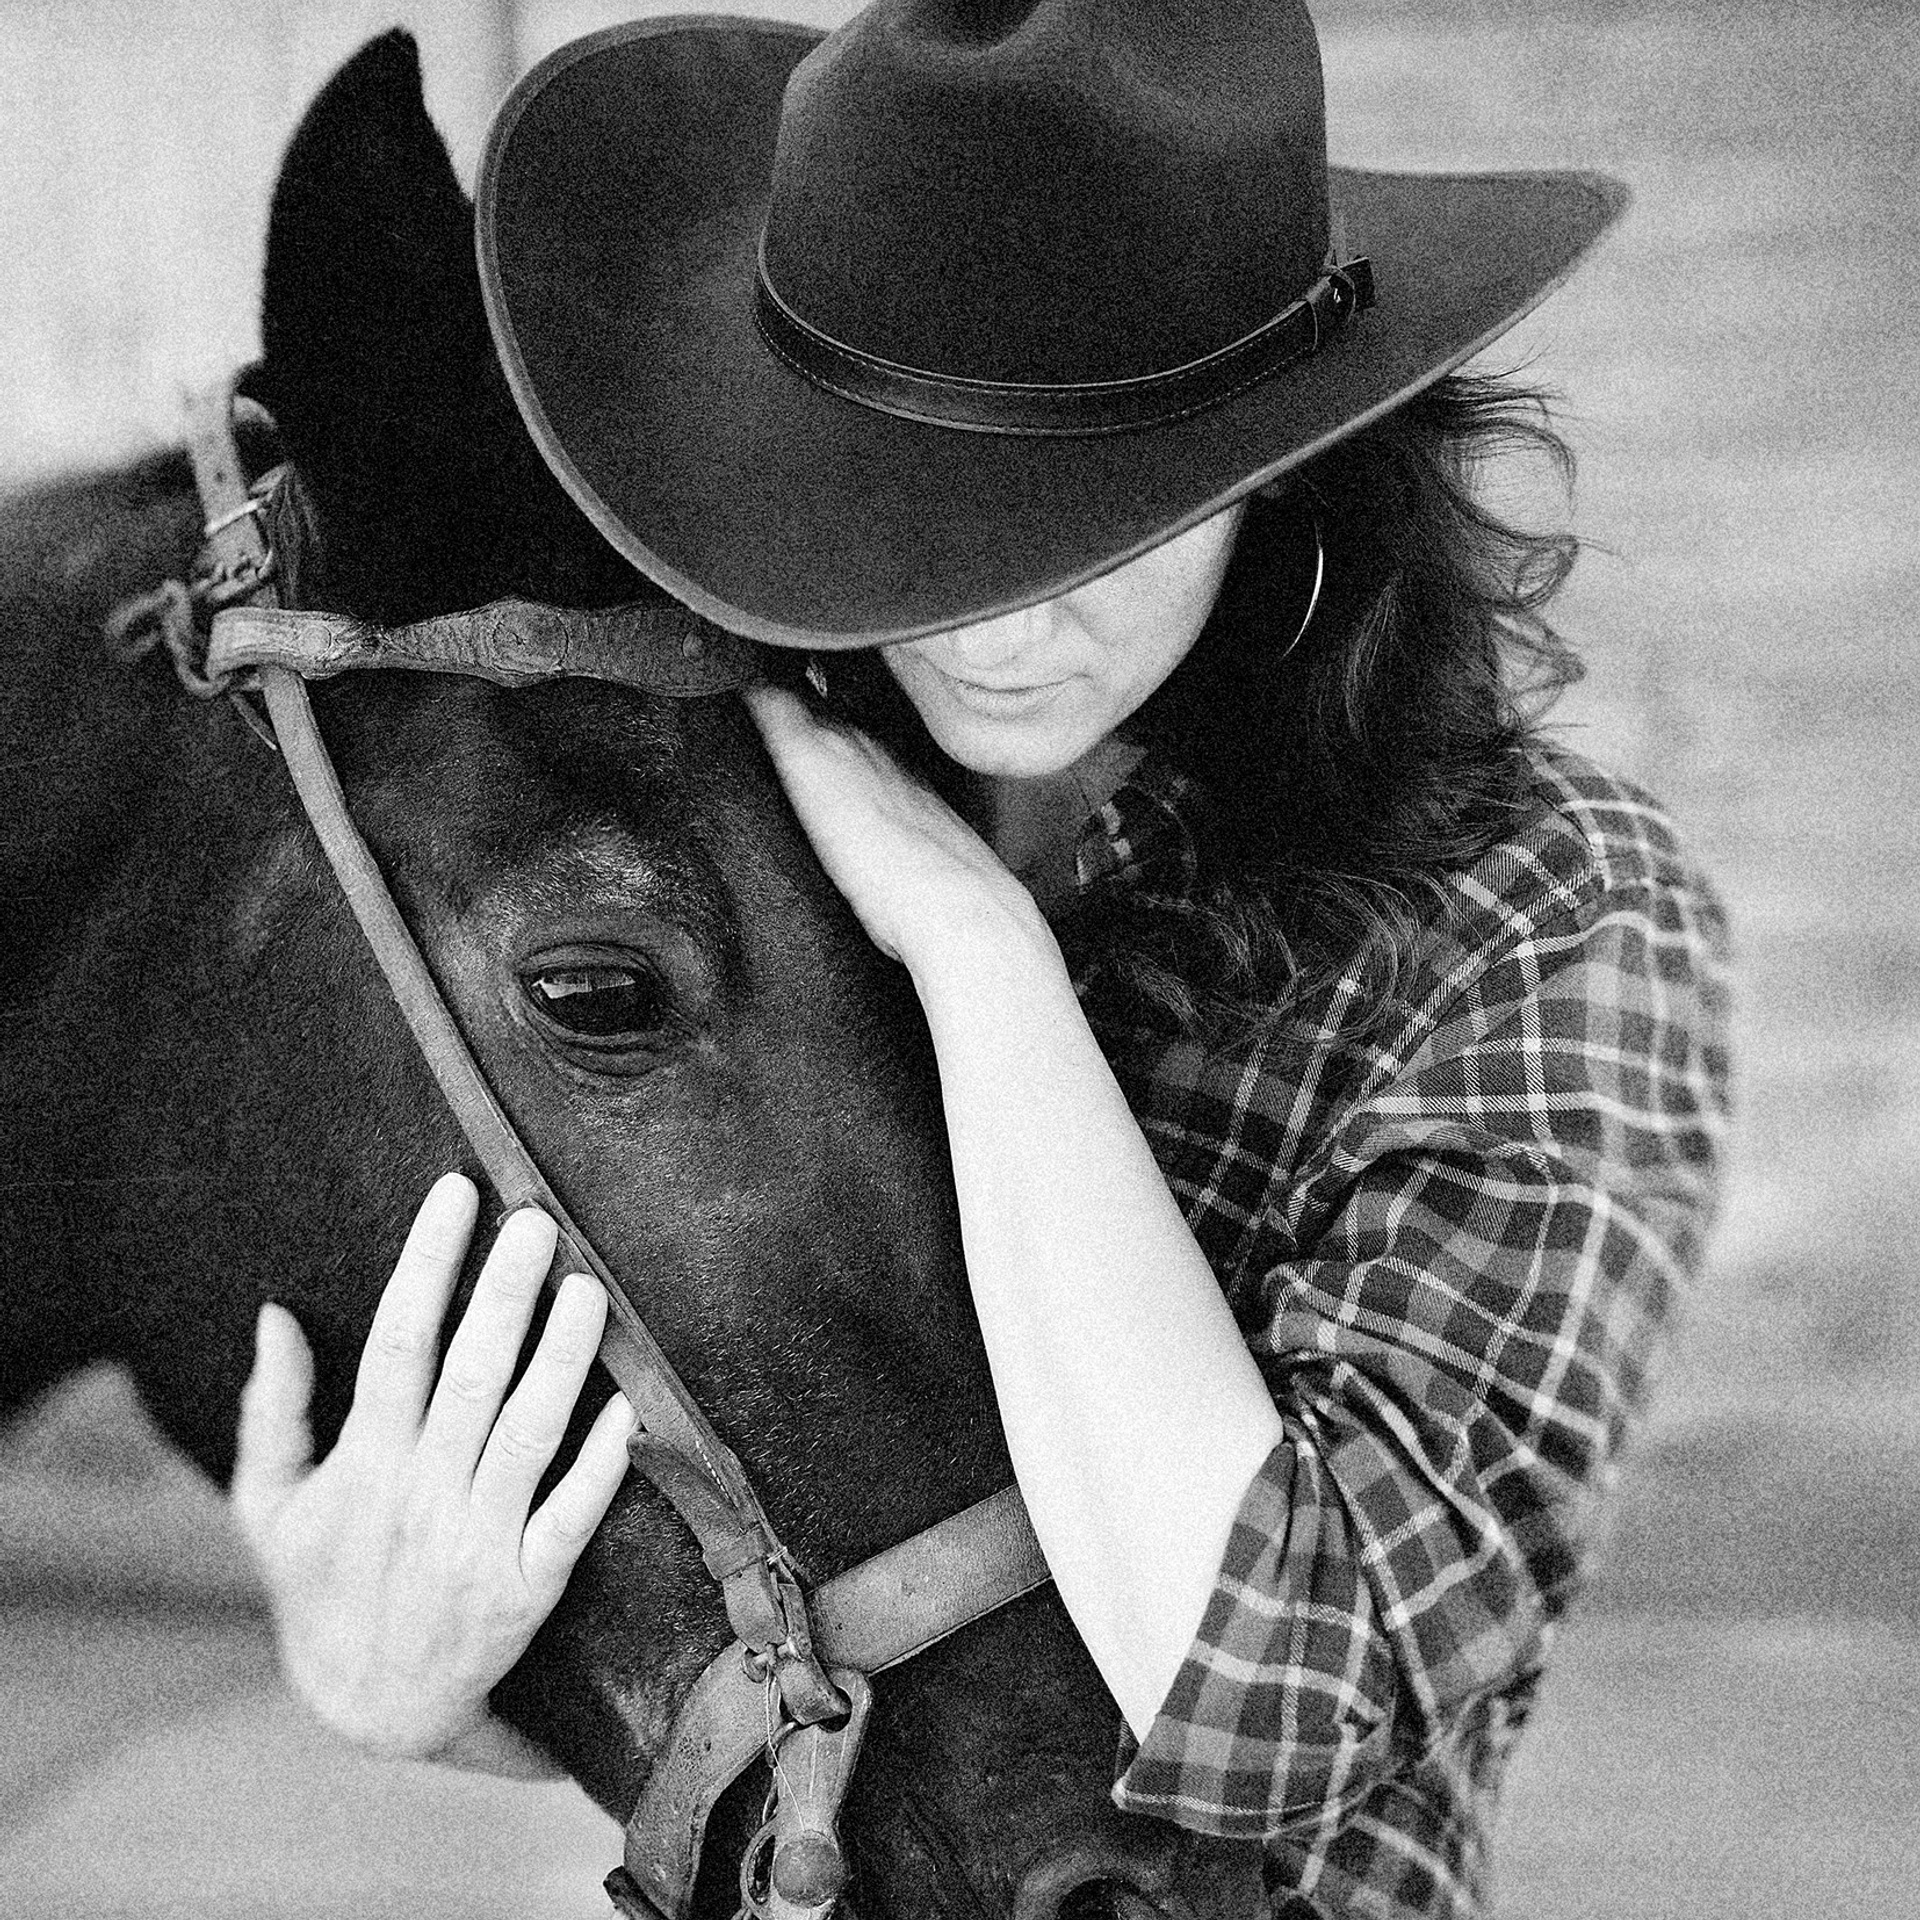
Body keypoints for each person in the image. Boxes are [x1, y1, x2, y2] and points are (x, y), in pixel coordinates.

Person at [230, 1, 1732, 1912]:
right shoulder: (746, 773)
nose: (1000, 621)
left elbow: (1287, 1700)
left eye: (1101, 514)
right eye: (907, 497)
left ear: (1288, 461)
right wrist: (414, 1685)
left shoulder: (1550, 921)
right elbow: (791, 1596)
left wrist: (980, 959)